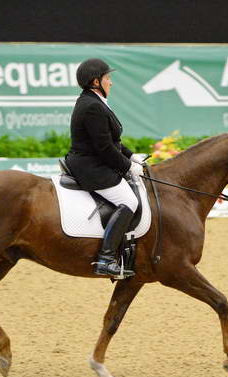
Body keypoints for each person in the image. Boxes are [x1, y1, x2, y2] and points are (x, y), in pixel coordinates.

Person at [65, 58, 144, 279]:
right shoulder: (92, 106)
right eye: (108, 78)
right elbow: (104, 149)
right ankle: (106, 259)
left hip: (92, 161)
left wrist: (131, 156)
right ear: (95, 81)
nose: (111, 82)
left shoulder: (93, 101)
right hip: (91, 166)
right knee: (129, 201)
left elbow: (111, 141)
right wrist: (128, 166)